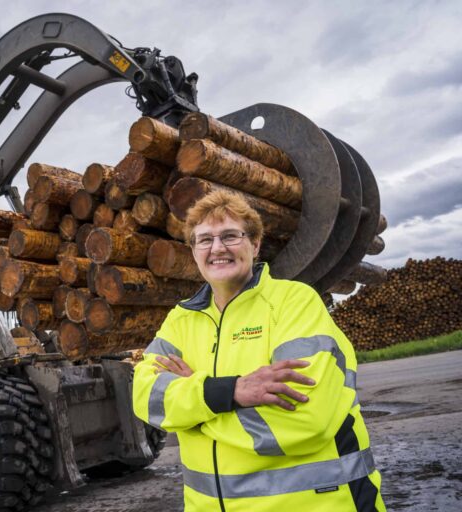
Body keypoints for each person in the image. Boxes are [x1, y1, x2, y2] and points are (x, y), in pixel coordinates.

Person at [132, 190, 385, 511]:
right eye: (204, 240)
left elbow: (302, 423)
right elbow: (145, 398)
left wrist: (194, 418)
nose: (217, 248)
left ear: (254, 245)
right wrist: (229, 392)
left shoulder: (295, 304)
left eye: (230, 236)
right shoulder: (181, 320)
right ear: (193, 251)